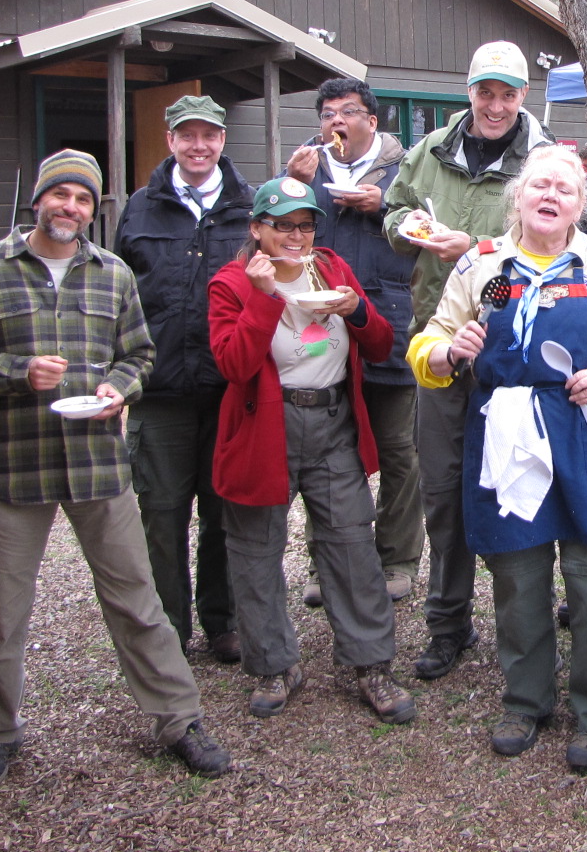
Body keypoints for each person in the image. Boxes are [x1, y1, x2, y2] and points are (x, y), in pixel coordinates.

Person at [0, 149, 230, 793]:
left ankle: (179, 720)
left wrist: (121, 387)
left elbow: (139, 354)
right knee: (2, 613)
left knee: (137, 600)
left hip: (98, 465)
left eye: (84, 199)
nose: (71, 207)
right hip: (13, 468)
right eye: (61, 194)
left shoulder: (112, 274)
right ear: (39, 200)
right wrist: (17, 373)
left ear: (94, 210)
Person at [409, 145, 587, 769]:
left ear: (580, 205)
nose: (550, 196)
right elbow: (429, 343)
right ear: (517, 195)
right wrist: (450, 352)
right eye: (540, 185)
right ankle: (526, 700)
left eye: (565, 189)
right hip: (509, 433)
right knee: (518, 577)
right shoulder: (486, 267)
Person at [207, 176, 415, 725]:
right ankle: (274, 665)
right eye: (282, 226)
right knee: (255, 551)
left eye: (304, 225)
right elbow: (233, 364)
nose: (296, 237)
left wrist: (357, 310)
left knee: (351, 543)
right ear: (257, 230)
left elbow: (380, 344)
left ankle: (371, 663)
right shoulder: (231, 283)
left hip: (331, 422)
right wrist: (262, 298)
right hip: (264, 428)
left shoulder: (331, 268)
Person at [384, 40, 553, 681]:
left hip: (514, 347)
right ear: (470, 91)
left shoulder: (541, 159)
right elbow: (394, 212)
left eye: (508, 93)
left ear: (523, 96)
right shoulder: (430, 151)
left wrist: (474, 247)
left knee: (520, 483)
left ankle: (525, 626)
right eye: (486, 92)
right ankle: (448, 622)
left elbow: (551, 238)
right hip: (439, 339)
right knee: (443, 490)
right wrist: (410, 230)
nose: (495, 105)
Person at [112, 94, 246, 664]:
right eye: (187, 135)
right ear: (170, 140)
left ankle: (224, 622)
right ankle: (167, 628)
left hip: (227, 390)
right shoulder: (140, 208)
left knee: (224, 512)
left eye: (209, 135)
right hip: (159, 390)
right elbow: (118, 296)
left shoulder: (246, 207)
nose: (199, 146)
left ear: (222, 141)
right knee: (161, 515)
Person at [285, 77, 423, 607]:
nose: (335, 122)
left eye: (346, 111)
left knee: (398, 452)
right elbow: (271, 227)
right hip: (320, 328)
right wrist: (290, 182)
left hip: (388, 320)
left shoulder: (405, 168)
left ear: (372, 119)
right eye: (327, 114)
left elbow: (430, 227)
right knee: (324, 453)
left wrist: (385, 206)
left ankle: (396, 560)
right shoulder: (307, 166)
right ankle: (327, 563)